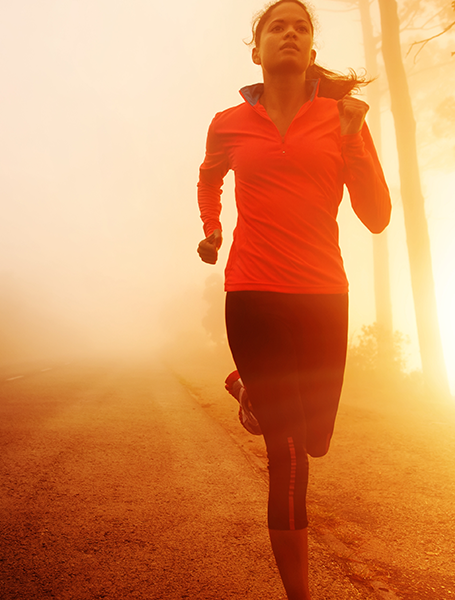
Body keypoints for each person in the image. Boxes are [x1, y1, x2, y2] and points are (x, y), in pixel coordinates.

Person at [195, 1, 391, 598]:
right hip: (252, 292)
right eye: (275, 26)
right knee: (287, 455)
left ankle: (249, 385)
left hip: (323, 295)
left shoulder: (342, 119)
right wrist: (212, 227)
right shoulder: (228, 122)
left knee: (315, 440)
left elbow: (377, 217)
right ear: (257, 51)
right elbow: (209, 175)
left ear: (310, 51)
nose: (289, 32)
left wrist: (354, 139)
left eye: (300, 27)